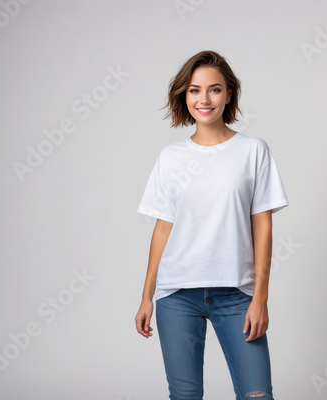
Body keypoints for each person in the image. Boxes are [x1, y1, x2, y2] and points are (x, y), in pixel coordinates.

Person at [135, 50, 289, 400]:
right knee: (185, 396)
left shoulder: (253, 151)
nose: (204, 99)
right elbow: (163, 229)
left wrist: (260, 297)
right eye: (194, 90)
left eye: (214, 89)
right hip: (177, 295)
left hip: (236, 293)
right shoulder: (170, 158)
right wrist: (146, 296)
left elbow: (262, 227)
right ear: (183, 96)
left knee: (257, 395)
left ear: (229, 94)